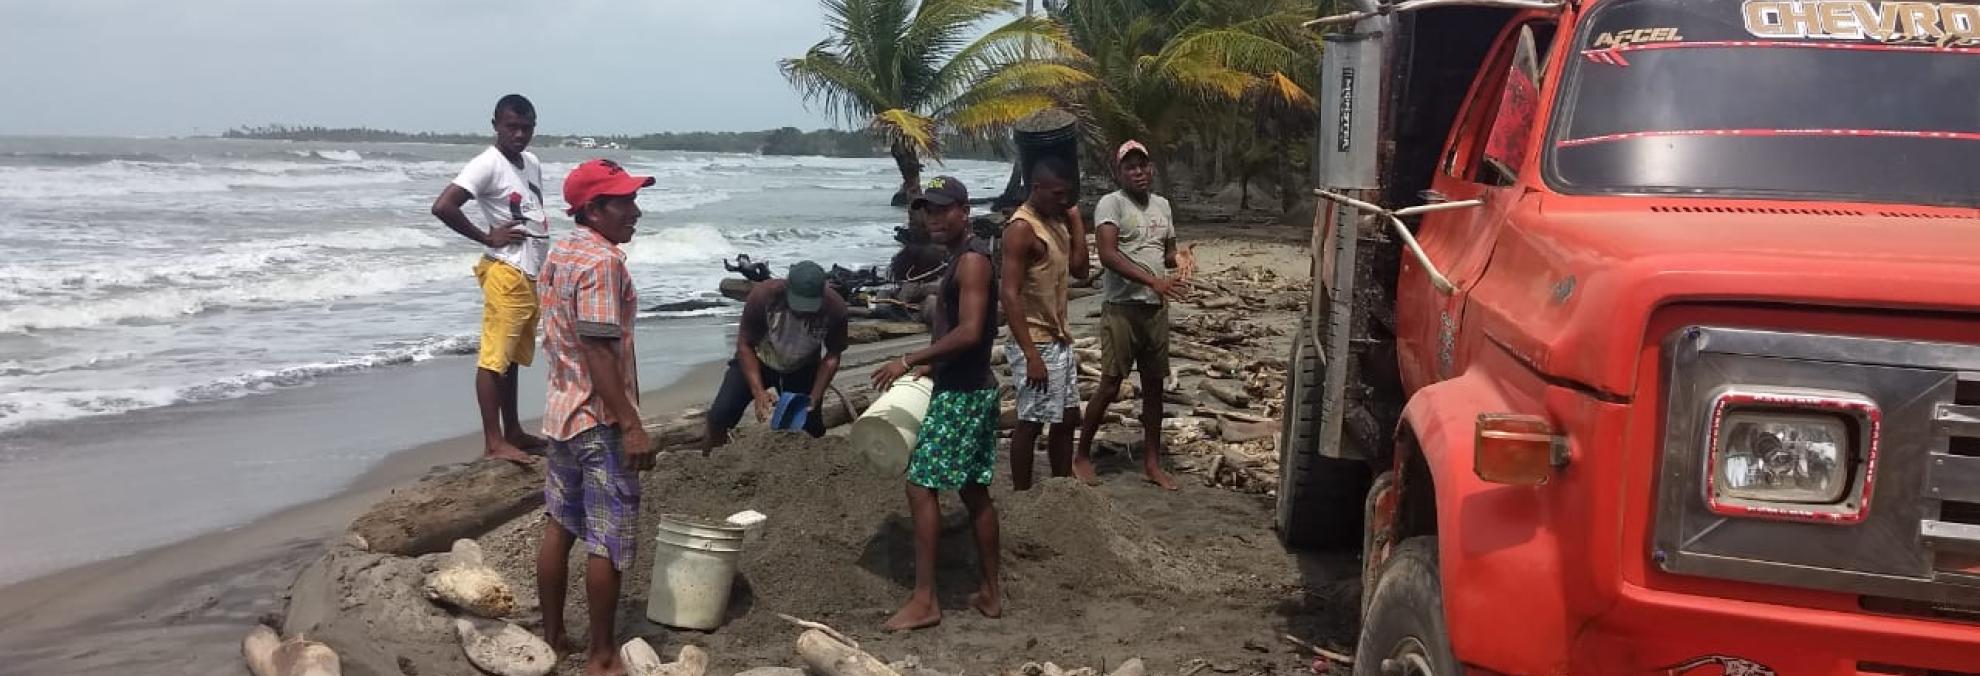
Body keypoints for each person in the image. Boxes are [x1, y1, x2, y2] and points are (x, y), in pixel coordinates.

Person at [535, 159, 656, 676]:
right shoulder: (603, 263)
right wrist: (630, 423)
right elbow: (599, 351)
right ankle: (603, 655)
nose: (635, 211)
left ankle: (554, 635)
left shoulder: (561, 252)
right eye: (624, 202)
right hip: (598, 419)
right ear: (594, 209)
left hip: (561, 411)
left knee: (560, 524)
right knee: (607, 538)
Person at [870, 177, 1001, 631]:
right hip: (968, 383)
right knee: (972, 490)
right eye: (928, 210)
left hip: (964, 395)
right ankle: (990, 592)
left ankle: (926, 600)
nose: (935, 219)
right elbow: (967, 338)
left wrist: (909, 358)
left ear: (965, 210)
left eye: (945, 210)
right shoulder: (964, 258)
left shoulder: (971, 263)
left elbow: (968, 331)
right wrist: (932, 368)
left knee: (920, 485)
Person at [430, 94, 551, 464]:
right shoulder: (487, 164)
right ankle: (493, 441)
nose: (519, 134)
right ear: (495, 124)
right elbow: (443, 206)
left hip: (528, 272)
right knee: (494, 358)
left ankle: (512, 430)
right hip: (506, 270)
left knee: (511, 357)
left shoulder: (529, 162)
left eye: (526, 128)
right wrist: (487, 236)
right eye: (511, 126)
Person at [1075, 141, 1182, 490]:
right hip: (1122, 309)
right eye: (1130, 167)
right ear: (1119, 172)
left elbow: (1167, 253)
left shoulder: (1163, 206)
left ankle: (1152, 463)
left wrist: (1180, 263)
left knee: (1154, 387)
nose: (1137, 172)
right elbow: (1107, 254)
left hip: (1155, 310)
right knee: (1109, 385)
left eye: (1142, 165)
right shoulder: (1112, 203)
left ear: (1151, 168)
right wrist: (1152, 280)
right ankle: (1081, 455)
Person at [1000, 157, 1089, 490]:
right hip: (1034, 339)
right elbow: (1008, 295)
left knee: (1067, 418)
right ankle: (1022, 494)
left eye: (1066, 195)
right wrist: (1030, 355)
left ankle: (1061, 487)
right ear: (1036, 189)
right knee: (1031, 422)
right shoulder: (1022, 228)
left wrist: (1075, 218)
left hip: (1059, 337)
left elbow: (1081, 270)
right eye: (1056, 194)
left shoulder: (1056, 220)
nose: (1062, 200)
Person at [703, 260, 849, 452]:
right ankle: (711, 460)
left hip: (802, 366)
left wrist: (815, 395)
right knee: (720, 415)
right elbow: (745, 344)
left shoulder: (835, 308)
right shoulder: (764, 296)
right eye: (798, 305)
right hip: (759, 360)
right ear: (787, 289)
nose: (803, 311)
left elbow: (832, 355)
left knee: (811, 427)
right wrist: (758, 392)